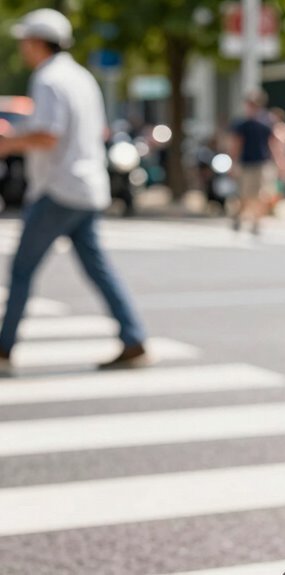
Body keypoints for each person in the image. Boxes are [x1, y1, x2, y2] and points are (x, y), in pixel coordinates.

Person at [0, 8, 148, 372]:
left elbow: (48, 134)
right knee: (98, 269)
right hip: (87, 187)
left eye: (25, 41)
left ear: (37, 42)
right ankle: (133, 338)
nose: (22, 48)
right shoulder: (82, 77)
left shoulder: (48, 79)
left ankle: (3, 350)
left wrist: (7, 142)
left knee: (21, 270)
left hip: (58, 189)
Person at [229, 90, 285, 234]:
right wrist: (233, 163)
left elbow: (274, 144)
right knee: (244, 195)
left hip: (263, 163)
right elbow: (236, 145)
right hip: (246, 163)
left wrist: (281, 162)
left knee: (262, 194)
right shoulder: (242, 124)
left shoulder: (267, 123)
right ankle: (239, 215)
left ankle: (256, 221)